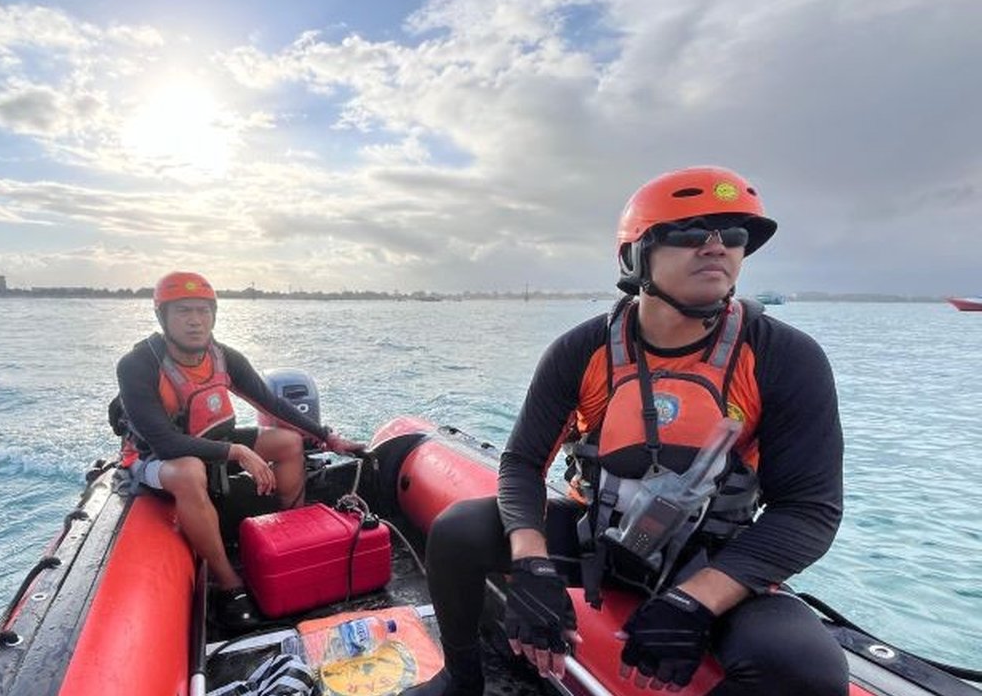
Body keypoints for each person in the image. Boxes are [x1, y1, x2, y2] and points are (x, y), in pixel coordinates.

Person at [405, 167, 847, 695]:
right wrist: (531, 564)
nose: (716, 247)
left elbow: (808, 509)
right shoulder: (582, 350)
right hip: (600, 540)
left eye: (732, 235)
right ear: (635, 256)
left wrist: (696, 600)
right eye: (689, 232)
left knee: (805, 669)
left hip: (710, 556)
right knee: (459, 531)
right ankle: (460, 680)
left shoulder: (783, 356)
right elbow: (523, 462)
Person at [114, 271, 364, 631]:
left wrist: (327, 436)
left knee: (288, 442)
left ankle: (290, 537)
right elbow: (164, 444)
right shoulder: (137, 366)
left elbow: (271, 404)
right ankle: (227, 582)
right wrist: (237, 453)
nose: (196, 321)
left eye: (204, 311)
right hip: (154, 459)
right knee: (188, 471)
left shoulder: (224, 357)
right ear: (162, 317)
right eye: (183, 311)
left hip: (216, 441)